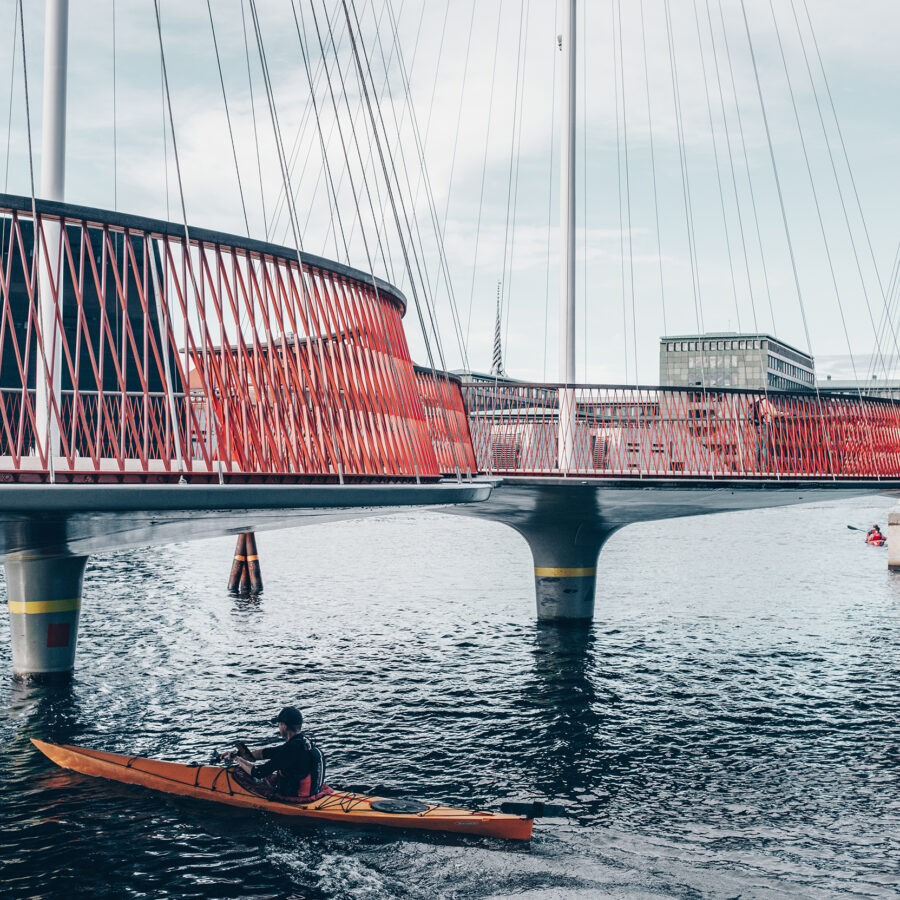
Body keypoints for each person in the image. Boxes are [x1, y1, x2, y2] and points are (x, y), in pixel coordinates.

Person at [223, 706, 325, 799]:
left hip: (296, 797)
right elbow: (267, 753)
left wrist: (237, 760)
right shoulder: (304, 742)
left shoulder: (290, 750)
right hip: (313, 791)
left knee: (246, 775)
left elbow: (259, 772)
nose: (279, 728)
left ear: (284, 726)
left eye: (279, 725)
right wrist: (240, 754)